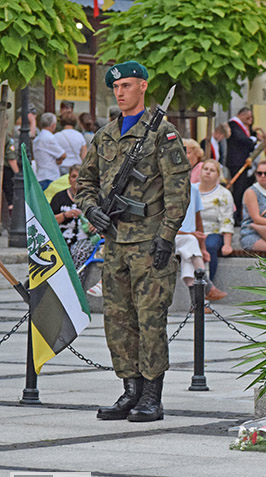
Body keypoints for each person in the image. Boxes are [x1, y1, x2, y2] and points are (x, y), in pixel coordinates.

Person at [76, 60, 191, 423]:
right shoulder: (105, 135)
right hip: (115, 243)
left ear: (143, 86)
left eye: (126, 85)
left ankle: (152, 397)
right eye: (115, 87)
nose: (120, 92)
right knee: (118, 320)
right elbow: (85, 183)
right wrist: (91, 209)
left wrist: (166, 236)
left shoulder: (162, 134)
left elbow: (178, 190)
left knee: (150, 320)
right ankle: (130, 391)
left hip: (149, 242)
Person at [175, 182, 227, 307]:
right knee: (190, 241)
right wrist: (190, 234)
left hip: (187, 240)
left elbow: (198, 219)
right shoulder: (166, 188)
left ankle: (197, 304)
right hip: (170, 237)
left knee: (189, 257)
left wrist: (203, 248)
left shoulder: (193, 189)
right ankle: (207, 288)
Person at [50, 165, 99, 269]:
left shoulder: (92, 198)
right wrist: (64, 215)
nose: (76, 179)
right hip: (61, 239)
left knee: (79, 251)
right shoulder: (59, 197)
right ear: (69, 179)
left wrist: (94, 224)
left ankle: (76, 278)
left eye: (80, 177)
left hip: (85, 239)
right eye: (73, 176)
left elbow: (101, 219)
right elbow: (49, 222)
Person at [198, 158, 234, 282]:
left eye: (212, 170)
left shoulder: (224, 194)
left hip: (213, 232)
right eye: (205, 169)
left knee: (210, 246)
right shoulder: (191, 190)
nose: (208, 172)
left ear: (218, 175)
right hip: (192, 231)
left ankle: (207, 284)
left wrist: (227, 245)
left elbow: (227, 220)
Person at [226, 107, 262, 223]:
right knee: (238, 190)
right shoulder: (233, 124)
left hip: (243, 162)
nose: (250, 120)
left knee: (242, 189)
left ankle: (241, 214)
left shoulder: (242, 126)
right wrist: (253, 140)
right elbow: (243, 139)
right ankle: (237, 216)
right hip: (237, 162)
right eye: (248, 118)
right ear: (241, 115)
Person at [32, 112, 66, 191]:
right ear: (53, 125)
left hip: (40, 175)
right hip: (50, 175)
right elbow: (63, 154)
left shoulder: (37, 138)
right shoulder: (49, 138)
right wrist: (59, 160)